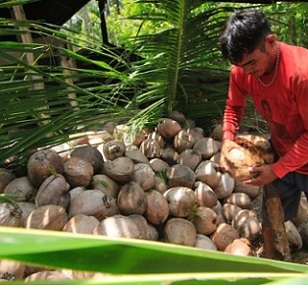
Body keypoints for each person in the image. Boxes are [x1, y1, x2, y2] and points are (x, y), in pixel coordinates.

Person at [219, 8, 308, 259]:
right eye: (240, 66)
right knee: (272, 222)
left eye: (251, 63)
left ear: (270, 42)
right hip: (282, 151)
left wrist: (276, 171)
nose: (247, 72)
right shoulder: (242, 70)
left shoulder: (301, 74)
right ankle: (275, 265)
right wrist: (227, 141)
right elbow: (233, 107)